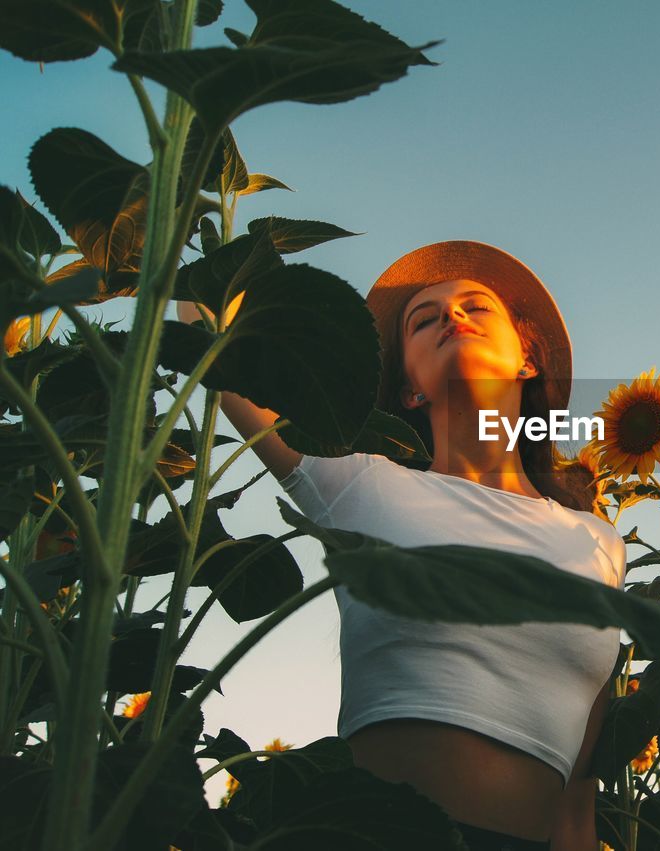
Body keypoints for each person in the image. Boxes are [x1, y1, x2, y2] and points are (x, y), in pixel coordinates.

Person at [177, 240, 625, 851]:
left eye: (476, 306)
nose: (451, 315)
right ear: (410, 388)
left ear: (526, 360)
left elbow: (579, 795)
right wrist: (187, 211)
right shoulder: (361, 484)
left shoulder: (597, 541)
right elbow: (215, 340)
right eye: (423, 318)